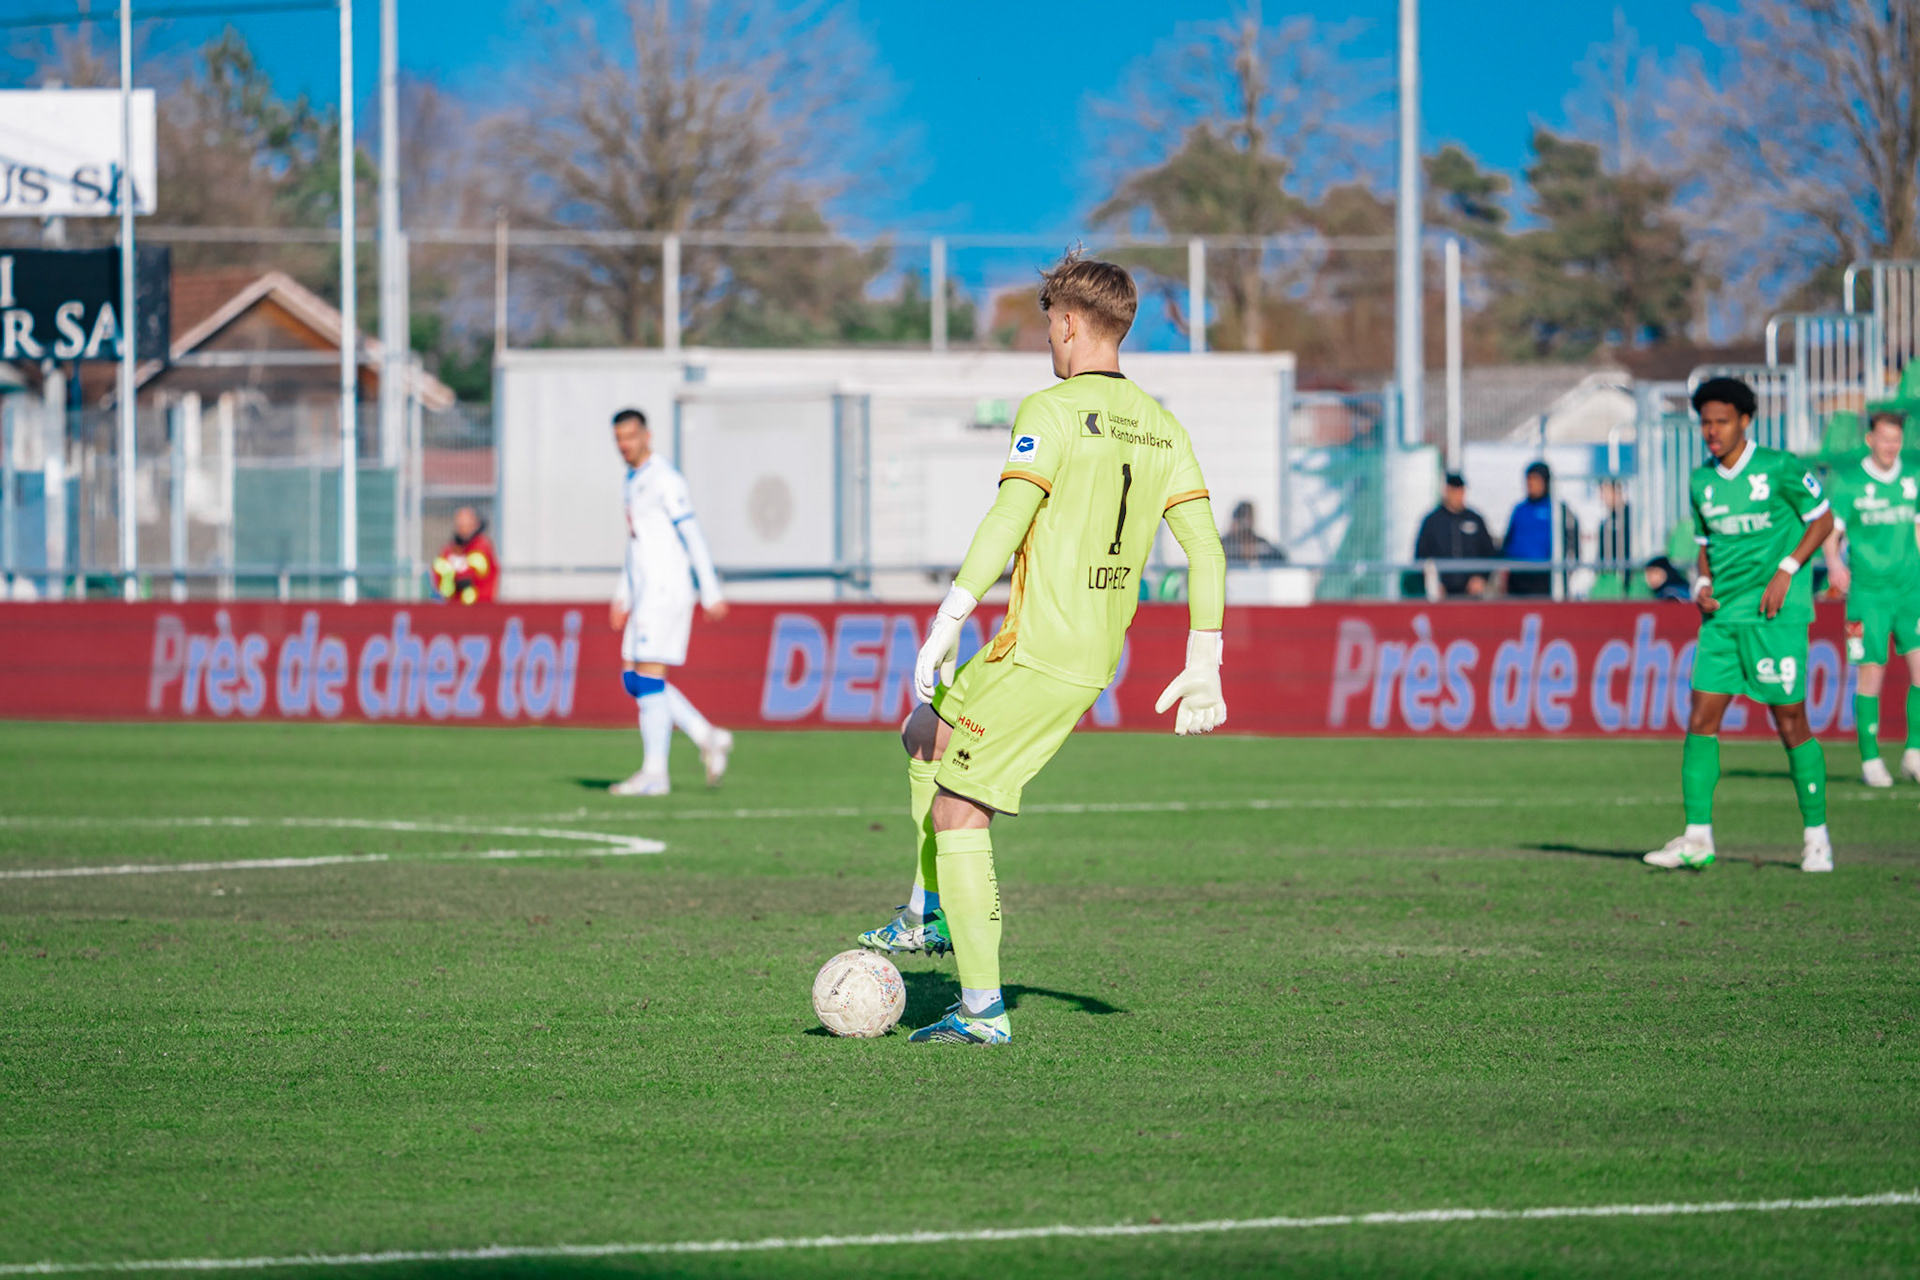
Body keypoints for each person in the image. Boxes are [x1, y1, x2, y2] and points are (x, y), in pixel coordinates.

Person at [855, 252, 1227, 1046]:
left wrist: (950, 614)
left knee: (959, 809)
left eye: (1046, 325)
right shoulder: (1164, 426)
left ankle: (982, 1012)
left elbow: (1007, 519)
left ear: (1066, 322)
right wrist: (1205, 659)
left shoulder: (1051, 410)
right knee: (925, 730)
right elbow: (1207, 552)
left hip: (1042, 653)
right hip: (1080, 648)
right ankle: (927, 915)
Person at [1645, 376, 1836, 873]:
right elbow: (1707, 545)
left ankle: (1817, 838)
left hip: (1775, 616)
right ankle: (1697, 838)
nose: (1712, 431)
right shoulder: (1699, 481)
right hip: (1723, 619)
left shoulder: (1779, 467)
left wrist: (1789, 570)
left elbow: (1822, 518)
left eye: (1722, 421)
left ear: (1745, 421)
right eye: (1705, 422)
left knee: (1789, 721)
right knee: (1701, 719)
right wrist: (1701, 586)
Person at [607, 407, 734, 797]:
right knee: (635, 679)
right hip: (645, 593)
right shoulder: (633, 481)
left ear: (648, 435)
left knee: (646, 679)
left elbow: (692, 535)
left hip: (666, 591)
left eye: (630, 436)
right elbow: (637, 547)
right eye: (619, 439)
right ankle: (706, 735)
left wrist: (710, 590)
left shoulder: (665, 480)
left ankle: (655, 773)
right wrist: (622, 594)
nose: (625, 445)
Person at [1819, 410, 1920, 787]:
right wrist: (1833, 563)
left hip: (1910, 589)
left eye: (1897, 439)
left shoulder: (1912, 478)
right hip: (1868, 593)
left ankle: (1914, 752)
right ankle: (1871, 758)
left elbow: (1917, 527)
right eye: (1885, 438)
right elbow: (1832, 531)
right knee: (1871, 672)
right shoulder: (1848, 483)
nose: (1891, 446)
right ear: (1870, 440)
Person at [1411, 473, 1496, 597]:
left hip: (1471, 594)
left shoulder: (1475, 519)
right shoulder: (1432, 521)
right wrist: (1433, 584)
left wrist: (1481, 577)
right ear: (1446, 491)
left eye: (1461, 492)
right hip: (1442, 594)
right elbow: (1421, 555)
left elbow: (1489, 552)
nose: (1458, 496)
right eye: (1454, 492)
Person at [1503, 461, 1567, 597]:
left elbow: (1571, 541)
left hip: (1544, 576)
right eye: (1529, 480)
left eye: (1536, 480)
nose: (1531, 484)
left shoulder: (1557, 510)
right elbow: (1508, 540)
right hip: (1518, 576)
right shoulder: (1519, 510)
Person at [431, 507, 498, 604]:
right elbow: (439, 572)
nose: (463, 529)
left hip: (480, 607)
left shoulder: (482, 546)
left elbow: (469, 577)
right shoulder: (450, 549)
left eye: (467, 525)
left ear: (475, 525)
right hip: (454, 608)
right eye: (460, 526)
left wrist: (454, 577)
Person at [1596, 479, 1634, 592]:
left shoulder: (1632, 517)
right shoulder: (1606, 522)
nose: (1602, 497)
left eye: (1605, 491)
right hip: (1611, 582)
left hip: (1627, 582)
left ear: (1617, 491)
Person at [1221, 500, 1285, 565]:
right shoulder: (1225, 542)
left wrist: (1256, 551)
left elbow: (1280, 556)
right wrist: (1241, 551)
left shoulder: (1258, 541)